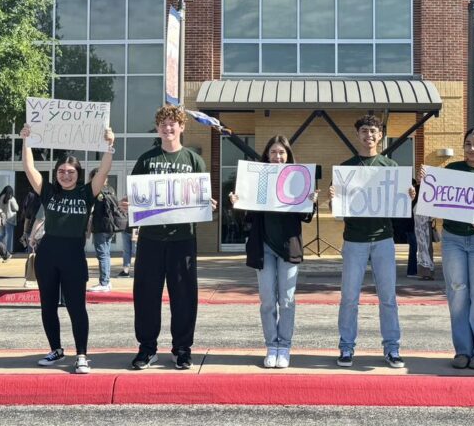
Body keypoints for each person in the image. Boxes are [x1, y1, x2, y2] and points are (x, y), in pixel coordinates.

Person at [124, 105, 216, 371]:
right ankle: (147, 348)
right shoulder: (146, 159)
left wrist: (206, 204)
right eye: (163, 124)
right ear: (158, 128)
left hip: (183, 239)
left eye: (173, 123)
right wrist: (128, 203)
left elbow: (201, 197)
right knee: (145, 295)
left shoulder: (193, 160)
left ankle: (183, 349)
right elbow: (136, 196)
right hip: (151, 238)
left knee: (184, 295)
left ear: (182, 127)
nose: (168, 128)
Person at [20, 123, 114, 375]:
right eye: (61, 170)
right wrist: (26, 141)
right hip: (47, 254)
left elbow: (104, 171)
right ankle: (56, 349)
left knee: (76, 306)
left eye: (71, 171)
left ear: (78, 173)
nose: (65, 174)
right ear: (56, 173)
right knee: (48, 305)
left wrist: (109, 146)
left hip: (73, 255)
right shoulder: (48, 191)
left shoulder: (86, 193)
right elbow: (29, 168)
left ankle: (82, 355)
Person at [328, 115, 415, 369]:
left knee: (388, 297)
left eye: (373, 131)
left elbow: (400, 204)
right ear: (358, 135)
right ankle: (346, 347)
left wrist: (409, 195)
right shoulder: (346, 169)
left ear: (380, 135)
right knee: (349, 297)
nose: (369, 136)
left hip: (383, 240)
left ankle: (392, 348)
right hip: (354, 240)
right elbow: (338, 210)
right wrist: (333, 197)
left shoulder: (390, 167)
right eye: (364, 131)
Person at [230, 135, 317, 369]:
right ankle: (272, 345)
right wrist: (238, 202)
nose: (277, 157)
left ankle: (284, 346)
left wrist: (311, 201)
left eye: (281, 153)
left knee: (287, 300)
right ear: (267, 156)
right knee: (268, 300)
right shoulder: (256, 180)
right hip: (264, 247)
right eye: (273, 153)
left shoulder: (297, 179)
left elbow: (305, 216)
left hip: (288, 247)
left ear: (288, 156)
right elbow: (246, 219)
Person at [429, 127, 474, 370]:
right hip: (452, 240)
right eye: (468, 144)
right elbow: (436, 199)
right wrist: (426, 183)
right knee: (458, 294)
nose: (472, 149)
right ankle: (462, 351)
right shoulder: (452, 170)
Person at [88, 169, 127, 292]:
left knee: (102, 255)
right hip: (110, 227)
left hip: (101, 227)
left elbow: (93, 210)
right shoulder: (110, 190)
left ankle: (104, 282)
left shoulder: (97, 191)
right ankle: (107, 281)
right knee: (106, 254)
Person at [0, 186, 19, 258]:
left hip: (3, 218)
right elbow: (16, 208)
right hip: (10, 219)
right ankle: (8, 251)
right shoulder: (11, 198)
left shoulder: (1, 197)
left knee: (2, 234)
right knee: (9, 235)